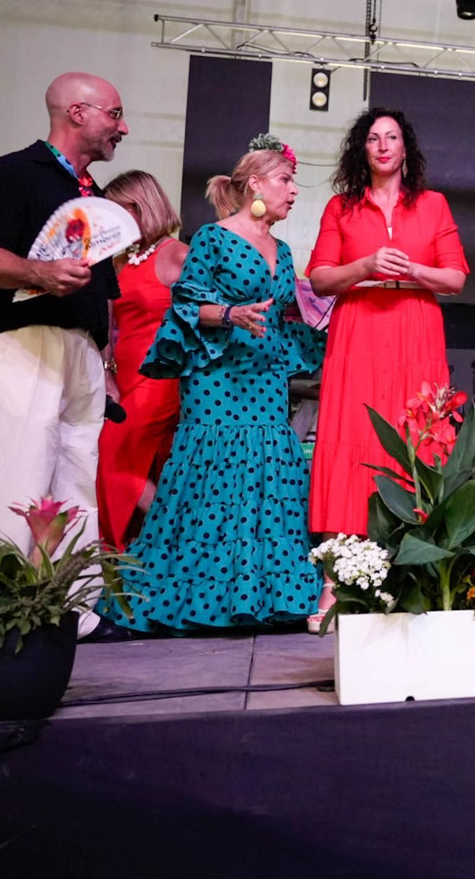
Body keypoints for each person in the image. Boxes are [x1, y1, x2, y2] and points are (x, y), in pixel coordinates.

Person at [100, 140, 326, 632]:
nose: (293, 191)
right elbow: (185, 307)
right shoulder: (212, 239)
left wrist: (327, 337)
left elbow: (285, 319)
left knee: (266, 480)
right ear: (256, 185)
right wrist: (228, 314)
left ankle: (261, 599)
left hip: (265, 381)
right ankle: (190, 600)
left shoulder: (284, 252)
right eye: (286, 180)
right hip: (218, 380)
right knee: (212, 481)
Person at [0, 72, 127, 638]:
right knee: (14, 478)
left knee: (76, 482)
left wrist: (106, 364)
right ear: (77, 113)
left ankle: (70, 614)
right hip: (18, 342)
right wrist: (38, 272)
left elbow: (104, 293)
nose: (121, 128)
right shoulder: (12, 173)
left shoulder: (91, 197)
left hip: (78, 351)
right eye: (114, 115)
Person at [306, 108, 468, 627]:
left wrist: (412, 268)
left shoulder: (433, 204)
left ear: (405, 148)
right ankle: (335, 584)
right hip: (359, 326)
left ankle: (412, 576)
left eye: (391, 137)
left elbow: (456, 279)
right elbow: (321, 278)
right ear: (363, 149)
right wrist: (366, 267)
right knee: (350, 439)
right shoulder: (341, 207)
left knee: (417, 440)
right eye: (372, 138)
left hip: (416, 324)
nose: (381, 146)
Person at [96, 170, 188, 550]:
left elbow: (205, 319)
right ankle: (151, 547)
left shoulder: (179, 255)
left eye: (119, 212)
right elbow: (106, 324)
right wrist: (106, 374)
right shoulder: (120, 262)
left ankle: (178, 530)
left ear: (141, 206)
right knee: (138, 464)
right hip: (124, 378)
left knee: (112, 460)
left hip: (161, 380)